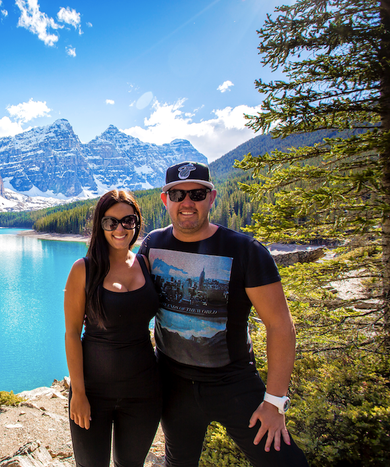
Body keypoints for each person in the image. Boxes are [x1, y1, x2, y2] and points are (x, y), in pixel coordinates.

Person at [138, 161, 308, 467]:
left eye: (197, 194)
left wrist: (274, 402)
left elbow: (280, 325)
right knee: (179, 463)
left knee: (286, 463)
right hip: (173, 384)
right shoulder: (153, 244)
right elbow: (128, 297)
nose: (187, 203)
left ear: (212, 197)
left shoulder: (245, 250)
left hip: (234, 383)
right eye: (177, 194)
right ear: (165, 200)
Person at [64, 189, 162, 467]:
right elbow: (72, 334)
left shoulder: (145, 263)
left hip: (144, 392)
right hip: (93, 392)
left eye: (128, 221)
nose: (120, 229)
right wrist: (79, 394)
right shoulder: (83, 269)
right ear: (100, 225)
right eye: (111, 222)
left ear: (137, 222)